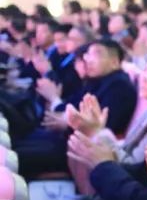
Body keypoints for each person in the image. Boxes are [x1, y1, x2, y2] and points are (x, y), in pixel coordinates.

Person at [16, 37, 139, 179]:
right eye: (88, 55)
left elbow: (104, 128)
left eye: (97, 54)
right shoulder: (99, 80)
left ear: (114, 62)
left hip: (82, 151)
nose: (89, 60)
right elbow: (72, 105)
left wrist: (68, 123)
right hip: (69, 140)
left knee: (18, 154)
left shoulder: (119, 86)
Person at [67, 47, 147, 170]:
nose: (143, 78)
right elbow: (125, 148)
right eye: (145, 70)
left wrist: (99, 133)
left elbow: (132, 165)